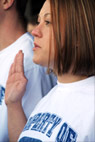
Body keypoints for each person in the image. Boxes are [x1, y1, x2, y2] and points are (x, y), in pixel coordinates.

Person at [5, 0, 95, 141]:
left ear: (78, 32)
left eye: (48, 22)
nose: (35, 31)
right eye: (38, 21)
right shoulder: (48, 99)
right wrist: (13, 104)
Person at [0, 0, 56, 141]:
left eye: (47, 22)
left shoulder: (30, 60)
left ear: (6, 2)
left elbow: (31, 137)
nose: (36, 30)